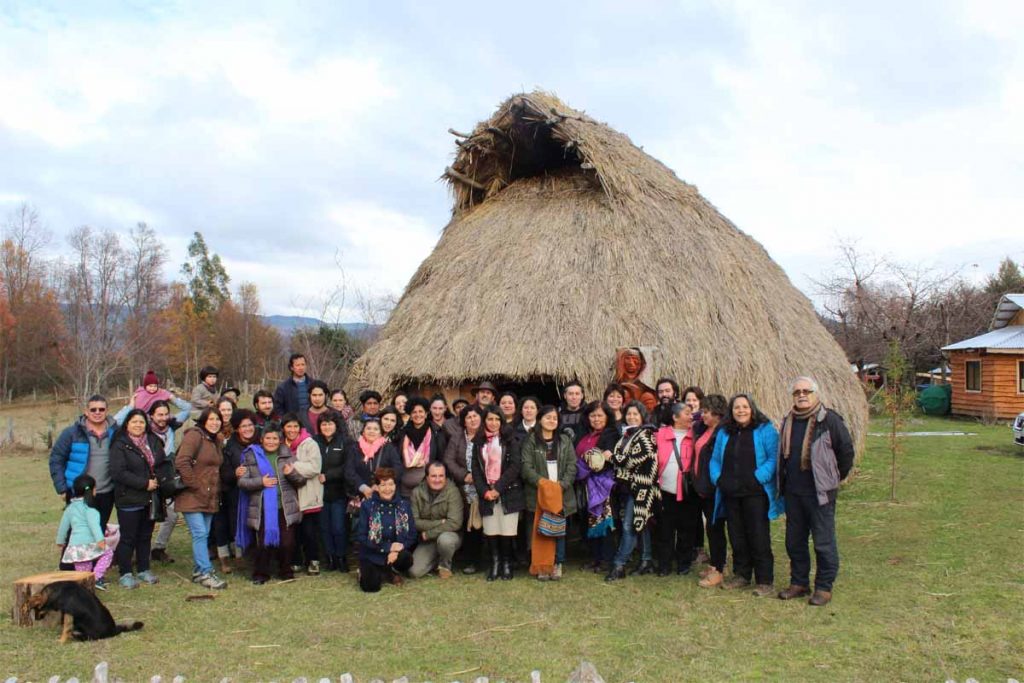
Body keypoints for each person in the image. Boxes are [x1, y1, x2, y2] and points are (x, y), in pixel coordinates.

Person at [776, 377, 855, 607]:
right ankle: (799, 583)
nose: (801, 395)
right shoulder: (788, 421)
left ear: (815, 393)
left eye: (806, 391)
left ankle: (823, 587)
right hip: (794, 492)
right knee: (794, 541)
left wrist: (834, 477)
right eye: (797, 392)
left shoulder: (829, 420)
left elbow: (846, 452)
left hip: (820, 494)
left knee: (823, 542)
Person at [710, 393, 783, 597]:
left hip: (755, 494)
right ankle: (742, 574)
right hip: (731, 494)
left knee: (758, 536)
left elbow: (773, 458)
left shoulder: (765, 430)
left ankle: (765, 580)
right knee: (737, 535)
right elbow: (715, 460)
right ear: (731, 412)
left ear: (752, 408)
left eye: (744, 407)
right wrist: (718, 478)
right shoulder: (725, 432)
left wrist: (758, 477)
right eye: (736, 407)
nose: (741, 411)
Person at [237, 425, 304, 584]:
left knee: (287, 543)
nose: (271, 441)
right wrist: (262, 482)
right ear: (261, 439)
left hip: (285, 507)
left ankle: (285, 571)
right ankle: (261, 573)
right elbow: (242, 482)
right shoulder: (251, 456)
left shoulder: (287, 456)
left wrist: (291, 474)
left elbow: (300, 481)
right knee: (263, 544)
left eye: (275, 438)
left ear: (280, 440)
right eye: (268, 438)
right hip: (262, 508)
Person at [108, 408, 167, 589]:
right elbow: (118, 472)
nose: (138, 425)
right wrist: (144, 483)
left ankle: (144, 569)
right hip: (129, 497)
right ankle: (125, 572)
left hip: (150, 498)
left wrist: (160, 478)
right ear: (127, 423)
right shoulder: (120, 444)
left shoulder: (153, 441)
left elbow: (162, 463)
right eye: (134, 422)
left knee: (145, 536)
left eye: (141, 422)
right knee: (128, 537)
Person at [520, 405, 576, 581]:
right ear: (540, 419)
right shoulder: (531, 440)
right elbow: (525, 466)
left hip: (560, 492)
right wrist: (542, 484)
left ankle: (557, 563)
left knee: (558, 529)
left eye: (555, 418)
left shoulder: (565, 440)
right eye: (548, 417)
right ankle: (542, 565)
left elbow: (571, 466)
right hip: (538, 492)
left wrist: (562, 485)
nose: (551, 421)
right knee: (540, 529)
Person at [175, 407, 227, 589]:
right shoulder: (194, 436)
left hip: (210, 495)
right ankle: (206, 572)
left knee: (203, 534)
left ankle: (199, 571)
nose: (215, 422)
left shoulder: (216, 440)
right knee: (199, 533)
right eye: (211, 419)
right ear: (204, 421)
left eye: (218, 419)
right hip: (192, 495)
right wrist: (194, 484)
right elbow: (182, 461)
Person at [606, 401, 659, 581]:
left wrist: (612, 457)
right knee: (640, 524)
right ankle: (646, 560)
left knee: (630, 525)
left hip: (641, 487)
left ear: (643, 416)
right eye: (628, 414)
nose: (631, 417)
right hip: (628, 487)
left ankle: (619, 565)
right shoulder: (627, 435)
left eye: (635, 414)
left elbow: (632, 461)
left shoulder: (646, 435)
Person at [49, 395, 118, 530]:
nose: (97, 412)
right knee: (76, 531)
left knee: (99, 530)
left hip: (107, 492)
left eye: (101, 409)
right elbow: (56, 459)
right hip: (78, 492)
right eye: (93, 410)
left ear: (107, 411)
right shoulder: (71, 433)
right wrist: (62, 488)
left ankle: (97, 552)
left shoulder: (116, 433)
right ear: (86, 411)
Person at [472, 406, 525, 581]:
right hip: (487, 492)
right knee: (491, 530)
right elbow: (475, 469)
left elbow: (515, 467)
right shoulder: (479, 442)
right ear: (484, 421)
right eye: (490, 419)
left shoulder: (511, 440)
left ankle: (507, 564)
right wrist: (485, 491)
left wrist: (497, 489)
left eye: (497, 419)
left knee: (507, 530)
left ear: (502, 421)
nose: (493, 423)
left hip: (508, 490)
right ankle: (495, 563)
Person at [653, 403, 700, 576]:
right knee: (665, 530)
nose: (691, 416)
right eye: (687, 413)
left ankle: (684, 564)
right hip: (665, 491)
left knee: (686, 530)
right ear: (675, 417)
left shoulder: (695, 435)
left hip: (688, 491)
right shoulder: (659, 435)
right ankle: (664, 565)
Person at [354, 468, 416, 592]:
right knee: (371, 587)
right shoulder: (368, 506)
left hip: (395, 554)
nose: (387, 489)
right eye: (383, 485)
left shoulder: (404, 505)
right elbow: (361, 536)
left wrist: (397, 550)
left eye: (391, 484)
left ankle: (391, 571)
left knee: (406, 559)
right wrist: (388, 548)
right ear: (377, 487)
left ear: (395, 485)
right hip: (372, 554)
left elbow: (412, 534)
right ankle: (369, 572)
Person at [574, 401, 619, 573]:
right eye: (592, 415)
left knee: (604, 522)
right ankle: (595, 558)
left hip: (602, 485)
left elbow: (602, 461)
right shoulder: (584, 434)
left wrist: (585, 464)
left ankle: (607, 560)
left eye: (600, 415)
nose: (596, 419)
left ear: (607, 417)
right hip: (584, 484)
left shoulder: (611, 434)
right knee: (588, 521)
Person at [147, 399, 191, 564]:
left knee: (171, 515)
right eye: (159, 414)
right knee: (148, 516)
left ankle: (159, 548)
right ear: (151, 415)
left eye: (166, 414)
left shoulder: (171, 427)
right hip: (151, 477)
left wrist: (170, 397)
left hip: (167, 477)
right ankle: (138, 551)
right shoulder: (145, 431)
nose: (163, 418)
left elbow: (188, 408)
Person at [442, 405, 484, 573]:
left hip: (483, 486)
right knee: (467, 523)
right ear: (463, 421)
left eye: (475, 416)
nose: (472, 419)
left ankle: (482, 559)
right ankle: (469, 560)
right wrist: (464, 475)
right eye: (468, 417)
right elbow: (448, 459)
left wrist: (479, 477)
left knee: (481, 524)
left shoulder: (486, 436)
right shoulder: (457, 437)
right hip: (463, 487)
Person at [215, 409, 257, 575]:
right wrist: (234, 473)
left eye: (250, 425)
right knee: (237, 523)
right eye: (243, 426)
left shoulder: (260, 441)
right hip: (236, 492)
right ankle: (239, 555)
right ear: (237, 429)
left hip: (257, 490)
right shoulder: (230, 447)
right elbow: (224, 473)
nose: (247, 429)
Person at [694, 394, 729, 588]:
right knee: (711, 528)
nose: (702, 415)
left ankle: (719, 570)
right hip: (704, 488)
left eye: (706, 412)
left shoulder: (722, 433)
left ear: (717, 413)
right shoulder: (707, 429)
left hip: (714, 488)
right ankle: (715, 564)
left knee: (716, 529)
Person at [281, 413, 324, 575]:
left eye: (295, 426)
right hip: (290, 494)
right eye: (288, 426)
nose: (292, 430)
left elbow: (314, 468)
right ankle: (296, 559)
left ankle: (313, 560)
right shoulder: (281, 444)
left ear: (300, 427)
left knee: (309, 531)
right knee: (294, 531)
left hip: (308, 493)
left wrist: (293, 466)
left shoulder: (309, 444)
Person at [56, 474, 114, 590]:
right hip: (89, 545)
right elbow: (94, 526)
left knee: (82, 572)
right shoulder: (91, 509)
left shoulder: (70, 508)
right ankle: (96, 577)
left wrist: (60, 540)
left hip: (75, 547)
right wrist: (100, 540)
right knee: (108, 553)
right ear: (92, 491)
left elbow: (63, 526)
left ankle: (85, 588)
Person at [409, 462, 464, 579]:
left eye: (441, 476)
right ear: (427, 477)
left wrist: (428, 534)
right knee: (414, 572)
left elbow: (455, 523)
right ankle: (436, 559)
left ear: (445, 477)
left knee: (445, 540)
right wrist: (440, 522)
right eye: (434, 476)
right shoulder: (417, 492)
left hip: (449, 535)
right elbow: (414, 522)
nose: (437, 480)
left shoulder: (453, 492)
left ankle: (445, 566)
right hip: (429, 541)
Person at [316, 411, 350, 572]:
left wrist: (328, 476)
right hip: (319, 493)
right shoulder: (314, 442)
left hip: (338, 493)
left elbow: (348, 467)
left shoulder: (345, 442)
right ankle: (330, 558)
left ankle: (342, 557)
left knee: (338, 527)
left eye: (330, 423)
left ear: (336, 425)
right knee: (324, 528)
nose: (327, 427)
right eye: (323, 424)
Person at [344, 418, 404, 504]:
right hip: (360, 497)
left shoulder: (389, 448)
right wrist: (363, 488)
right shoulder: (355, 448)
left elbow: (398, 469)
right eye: (368, 428)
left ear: (380, 433)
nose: (371, 431)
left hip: (385, 495)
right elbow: (349, 471)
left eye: (376, 429)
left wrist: (382, 484)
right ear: (363, 432)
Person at [397, 397, 444, 498]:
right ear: (410, 415)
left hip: (427, 488)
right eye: (414, 412)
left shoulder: (436, 433)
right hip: (405, 489)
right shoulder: (403, 433)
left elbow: (440, 459)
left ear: (426, 414)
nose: (418, 415)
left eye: (420, 411)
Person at [273, 353, 312, 418]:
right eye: (297, 365)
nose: (301, 368)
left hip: (312, 423)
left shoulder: (313, 384)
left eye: (303, 364)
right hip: (293, 425)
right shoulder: (283, 388)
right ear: (291, 367)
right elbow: (278, 409)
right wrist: (287, 421)